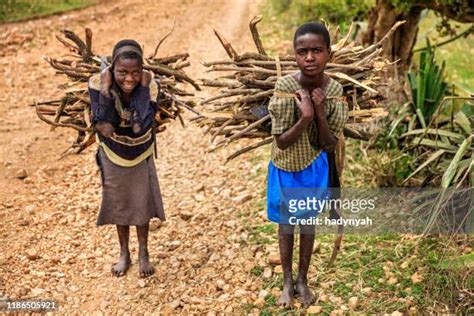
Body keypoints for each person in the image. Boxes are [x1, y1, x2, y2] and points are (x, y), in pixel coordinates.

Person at [266, 22, 348, 308]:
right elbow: (281, 142)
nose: (310, 57)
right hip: (285, 166)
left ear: (329, 54)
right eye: (303, 52)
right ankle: (287, 281)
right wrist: (304, 118)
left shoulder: (335, 91)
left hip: (315, 167)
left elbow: (328, 144)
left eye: (317, 50)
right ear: (295, 55)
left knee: (308, 223)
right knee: (287, 225)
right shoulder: (286, 87)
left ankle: (303, 279)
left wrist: (321, 115)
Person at [88, 39, 165, 278]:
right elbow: (104, 125)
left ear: (142, 71)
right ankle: (124, 253)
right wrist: (104, 89)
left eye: (135, 72)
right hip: (112, 152)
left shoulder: (151, 86)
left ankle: (143, 252)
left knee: (141, 202)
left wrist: (142, 89)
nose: (129, 79)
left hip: (140, 151)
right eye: (122, 72)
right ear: (112, 70)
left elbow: (140, 125)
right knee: (119, 203)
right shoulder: (95, 83)